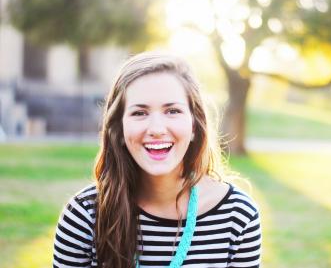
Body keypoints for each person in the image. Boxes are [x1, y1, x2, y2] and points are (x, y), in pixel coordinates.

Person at [53, 51, 261, 268]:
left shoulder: (238, 215)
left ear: (194, 126)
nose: (157, 129)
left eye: (172, 111)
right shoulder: (84, 215)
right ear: (119, 129)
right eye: (139, 113)